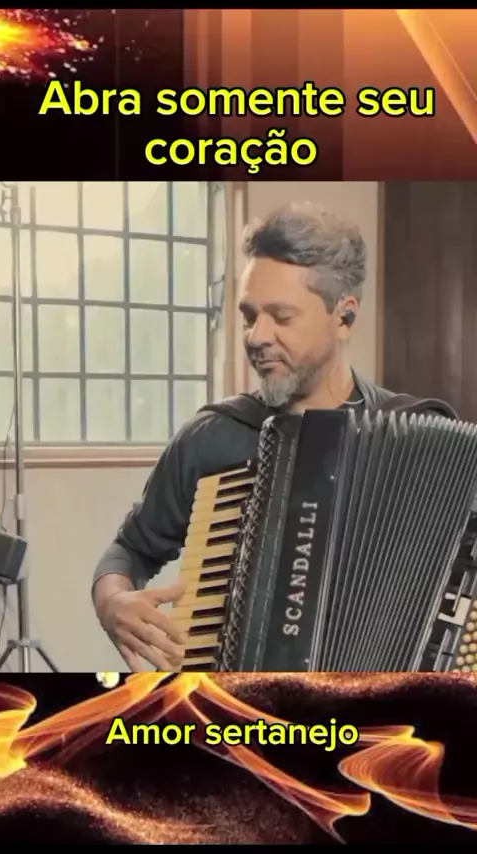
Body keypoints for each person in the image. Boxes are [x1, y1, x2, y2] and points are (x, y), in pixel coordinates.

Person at [91, 201, 456, 672]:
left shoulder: (420, 438)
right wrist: (112, 603)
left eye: (281, 317)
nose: (256, 336)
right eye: (249, 316)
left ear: (344, 317)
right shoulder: (214, 435)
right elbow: (129, 550)